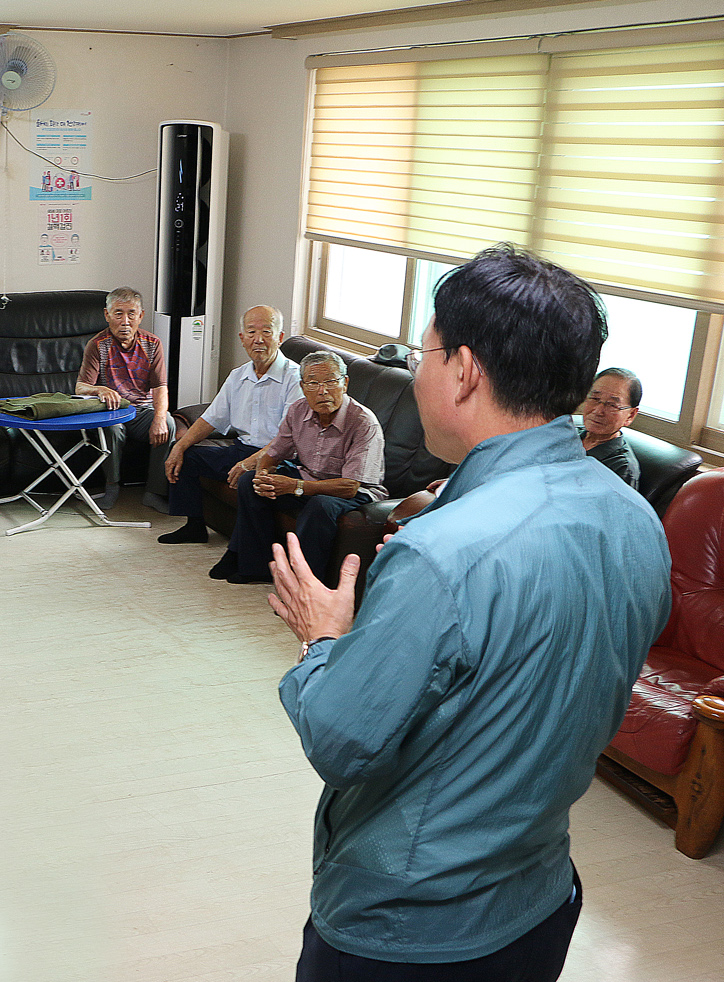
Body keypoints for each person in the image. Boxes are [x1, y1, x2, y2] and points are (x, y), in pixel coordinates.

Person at [268, 244, 671, 981]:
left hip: (411, 930)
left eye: (423, 352)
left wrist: (325, 641)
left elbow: (340, 738)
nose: (416, 372)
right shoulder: (634, 519)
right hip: (538, 896)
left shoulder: (442, 553)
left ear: (464, 368)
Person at [213, 350, 384, 584]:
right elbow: (273, 454)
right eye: (313, 383)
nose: (323, 391)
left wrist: (295, 486)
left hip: (353, 492)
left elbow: (350, 486)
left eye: (331, 382)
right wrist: (263, 477)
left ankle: (305, 586)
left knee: (320, 505)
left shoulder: (363, 422)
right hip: (308, 478)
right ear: (303, 387)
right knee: (248, 483)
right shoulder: (298, 410)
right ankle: (255, 566)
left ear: (344, 383)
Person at [158, 305, 301, 544]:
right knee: (188, 456)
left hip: (279, 457)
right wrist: (179, 448)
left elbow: (288, 439)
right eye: (252, 332)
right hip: (242, 448)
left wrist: (250, 463)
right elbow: (210, 419)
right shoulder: (238, 375)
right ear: (242, 338)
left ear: (280, 337)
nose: (259, 340)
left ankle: (245, 549)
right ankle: (194, 526)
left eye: (267, 332)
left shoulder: (294, 378)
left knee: (249, 476)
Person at [76, 287, 173, 511]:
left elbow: (160, 387)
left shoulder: (152, 343)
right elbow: (80, 386)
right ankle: (111, 488)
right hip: (110, 411)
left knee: (167, 423)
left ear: (141, 315)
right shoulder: (97, 345)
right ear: (107, 315)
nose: (125, 321)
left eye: (131, 313)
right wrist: (100, 390)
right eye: (118, 313)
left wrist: (159, 417)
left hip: (141, 410)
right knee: (113, 429)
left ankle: (154, 492)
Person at [578, 367, 642, 489]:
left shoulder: (622, 468)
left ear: (631, 415)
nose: (598, 411)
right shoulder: (569, 435)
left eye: (612, 405)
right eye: (595, 399)